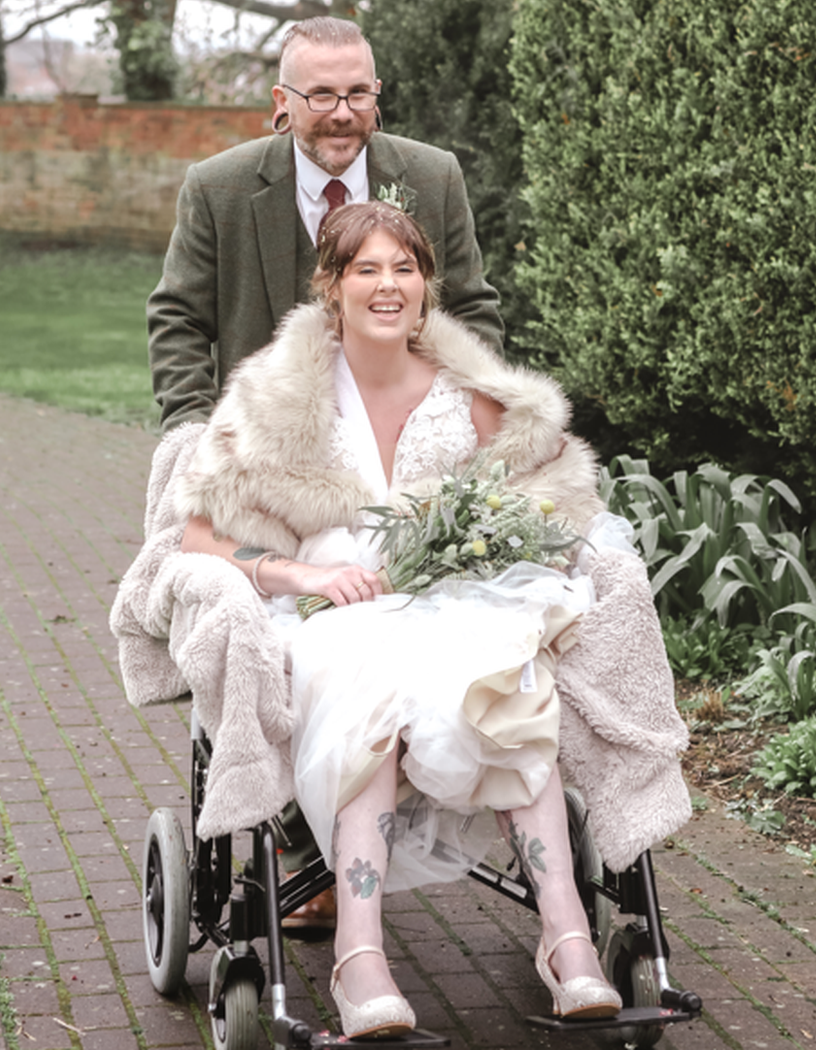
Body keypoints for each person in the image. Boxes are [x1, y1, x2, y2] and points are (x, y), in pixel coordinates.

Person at [175, 200, 623, 1037]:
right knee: (366, 690)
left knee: (509, 678)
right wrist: (301, 569)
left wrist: (484, 545)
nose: (389, 285)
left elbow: (555, 498)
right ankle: (360, 956)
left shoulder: (468, 397)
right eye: (367, 269)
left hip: (447, 597)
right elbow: (200, 536)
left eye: (405, 268)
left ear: (426, 288)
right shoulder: (274, 396)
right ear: (331, 287)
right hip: (327, 609)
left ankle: (568, 940)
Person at [147, 15, 503, 432]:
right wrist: (193, 434)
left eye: (358, 94)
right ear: (282, 100)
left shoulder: (434, 177)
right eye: (321, 96)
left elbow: (471, 309)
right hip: (265, 453)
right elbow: (178, 319)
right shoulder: (217, 188)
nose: (342, 113)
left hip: (405, 450)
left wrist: (467, 420)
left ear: (377, 93)